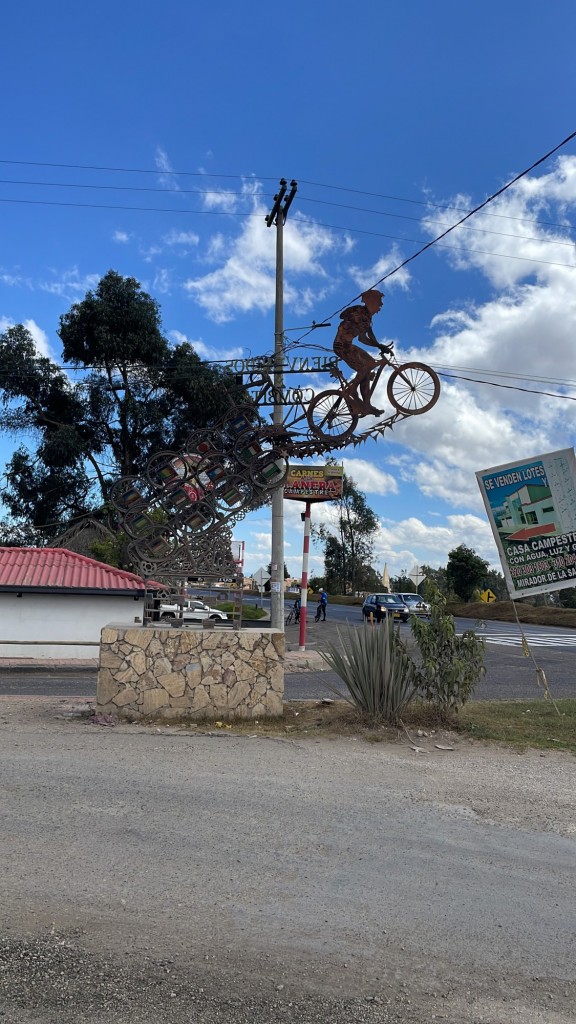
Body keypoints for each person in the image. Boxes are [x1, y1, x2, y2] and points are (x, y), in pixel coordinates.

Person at [332, 289, 393, 416]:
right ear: (371, 302)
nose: (381, 305)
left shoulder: (367, 318)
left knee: (370, 363)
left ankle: (366, 404)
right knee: (365, 367)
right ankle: (352, 391)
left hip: (348, 345)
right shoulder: (359, 314)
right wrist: (379, 346)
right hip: (342, 346)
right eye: (379, 302)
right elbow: (361, 336)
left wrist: (380, 346)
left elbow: (368, 337)